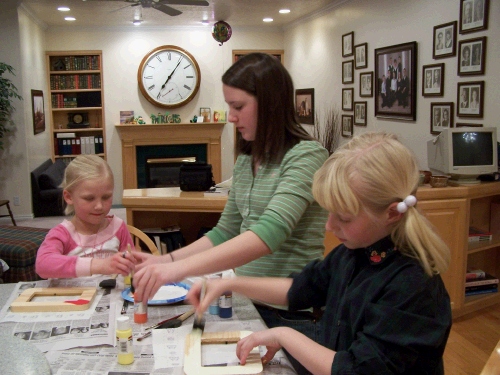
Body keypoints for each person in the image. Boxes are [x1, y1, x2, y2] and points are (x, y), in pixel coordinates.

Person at [188, 131, 452, 375]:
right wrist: (229, 283)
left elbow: (355, 369)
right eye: (329, 213)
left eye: (344, 218)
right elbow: (299, 288)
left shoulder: (413, 286)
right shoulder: (355, 253)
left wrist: (284, 335)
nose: (329, 226)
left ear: (392, 213)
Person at [133, 53, 329, 329]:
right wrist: (165, 260)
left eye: (238, 106)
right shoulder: (247, 159)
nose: (231, 117)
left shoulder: (306, 156)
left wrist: (175, 269)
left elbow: (269, 233)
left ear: (271, 104)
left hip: (291, 312)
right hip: (248, 301)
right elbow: (225, 231)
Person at [35, 155, 136, 279]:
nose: (99, 206)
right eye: (89, 198)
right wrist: (99, 265)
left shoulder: (118, 227)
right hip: (74, 297)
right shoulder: (62, 234)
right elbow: (43, 265)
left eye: (106, 197)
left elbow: (132, 268)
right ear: (69, 197)